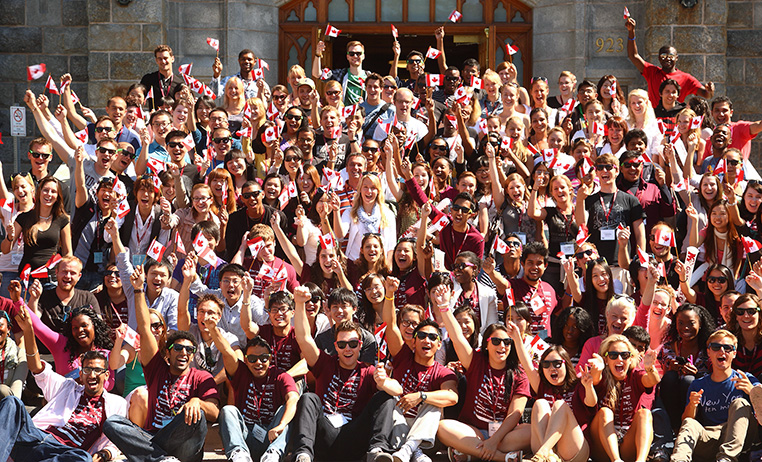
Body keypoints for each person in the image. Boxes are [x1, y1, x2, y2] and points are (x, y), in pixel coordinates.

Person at [103, 265, 220, 462]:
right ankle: (162, 459)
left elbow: (215, 412)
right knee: (112, 423)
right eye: (178, 349)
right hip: (154, 437)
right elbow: (144, 327)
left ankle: (155, 458)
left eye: (189, 350)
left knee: (197, 416)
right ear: (167, 352)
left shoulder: (201, 377)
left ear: (193, 356)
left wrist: (197, 401)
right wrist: (139, 290)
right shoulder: (157, 368)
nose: (183, 353)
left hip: (185, 445)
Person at [4, 299, 126, 462]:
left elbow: (113, 441)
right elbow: (36, 368)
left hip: (64, 452)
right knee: (12, 402)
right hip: (36, 436)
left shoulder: (116, 404)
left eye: (98, 370)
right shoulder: (68, 387)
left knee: (83, 458)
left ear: (106, 375)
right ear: (80, 374)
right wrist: (28, 330)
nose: (92, 374)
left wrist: (104, 454)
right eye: (87, 370)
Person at [290, 285, 399, 462]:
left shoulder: (368, 370)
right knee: (308, 398)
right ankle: (303, 455)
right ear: (335, 347)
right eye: (342, 345)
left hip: (354, 435)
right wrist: (300, 304)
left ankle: (377, 450)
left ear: (360, 346)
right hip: (324, 431)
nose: (347, 349)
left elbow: (398, 391)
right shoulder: (324, 363)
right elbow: (303, 338)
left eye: (353, 344)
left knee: (385, 397)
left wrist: (384, 382)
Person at [436, 284, 530, 462]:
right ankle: (502, 459)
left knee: (534, 430)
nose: (502, 346)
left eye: (507, 342)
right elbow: (456, 337)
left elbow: (515, 414)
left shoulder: (519, 372)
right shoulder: (476, 361)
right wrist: (444, 307)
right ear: (486, 344)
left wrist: (494, 440)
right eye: (496, 341)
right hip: (474, 432)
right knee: (442, 427)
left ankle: (471, 453)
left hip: (504, 436)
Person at [381, 276, 458, 462]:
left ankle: (410, 448)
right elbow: (391, 325)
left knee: (434, 404)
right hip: (397, 421)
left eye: (432, 338)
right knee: (389, 401)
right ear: (413, 341)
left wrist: (421, 396)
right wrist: (390, 293)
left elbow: (452, 397)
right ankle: (413, 452)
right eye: (422, 335)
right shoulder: (403, 356)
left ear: (439, 345)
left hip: (425, 430)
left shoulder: (443, 371)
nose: (427, 340)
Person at [670, 330, 760, 462]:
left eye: (728, 348)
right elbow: (687, 420)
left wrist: (751, 391)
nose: (722, 351)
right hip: (711, 437)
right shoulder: (698, 384)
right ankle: (679, 460)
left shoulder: (746, 378)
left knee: (740, 402)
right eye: (716, 347)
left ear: (734, 353)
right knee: (690, 422)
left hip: (741, 438)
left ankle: (726, 459)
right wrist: (692, 405)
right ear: (709, 352)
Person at [216, 332, 299, 462]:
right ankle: (239, 454)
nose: (258, 362)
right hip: (245, 436)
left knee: (287, 410)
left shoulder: (281, 376)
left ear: (270, 359)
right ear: (246, 360)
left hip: (273, 435)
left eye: (264, 358)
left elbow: (293, 398)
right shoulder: (241, 373)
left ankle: (273, 454)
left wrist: (281, 425)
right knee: (228, 410)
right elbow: (226, 351)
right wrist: (212, 328)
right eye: (252, 359)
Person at [587, 334, 660, 462]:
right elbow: (595, 379)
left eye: (624, 355)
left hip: (627, 439)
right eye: (613, 355)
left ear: (631, 358)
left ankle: (641, 460)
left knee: (645, 413)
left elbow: (652, 380)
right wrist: (596, 370)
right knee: (605, 411)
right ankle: (616, 460)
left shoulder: (635, 375)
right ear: (606, 359)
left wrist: (649, 368)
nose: (619, 359)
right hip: (602, 443)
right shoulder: (602, 376)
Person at [625, 18, 714, 106]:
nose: (667, 58)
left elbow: (706, 94)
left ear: (676, 58)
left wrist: (710, 91)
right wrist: (631, 32)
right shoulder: (652, 72)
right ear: (659, 58)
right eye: (663, 56)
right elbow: (633, 56)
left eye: (671, 56)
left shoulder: (686, 78)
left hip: (675, 119)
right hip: (655, 119)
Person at [2, 176, 72, 278]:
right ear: (39, 193)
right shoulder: (24, 217)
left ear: (57, 197)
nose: (49, 194)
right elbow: (5, 250)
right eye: (45, 190)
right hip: (27, 279)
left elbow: (68, 252)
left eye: (53, 191)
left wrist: (66, 273)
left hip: (51, 279)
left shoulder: (62, 220)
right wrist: (9, 237)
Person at [314, 288, 378, 365]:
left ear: (354, 309)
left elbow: (366, 369)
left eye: (344, 306)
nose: (339, 311)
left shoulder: (367, 338)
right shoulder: (321, 339)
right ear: (329, 309)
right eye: (335, 307)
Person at [508, 242, 557, 337]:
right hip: (521, 344)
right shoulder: (514, 285)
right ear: (523, 264)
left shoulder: (549, 288)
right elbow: (502, 284)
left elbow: (561, 308)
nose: (534, 267)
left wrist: (570, 276)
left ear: (545, 266)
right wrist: (491, 272)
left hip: (544, 346)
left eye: (539, 263)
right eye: (530, 263)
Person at [313, 40, 367, 106]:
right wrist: (318, 54)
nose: (355, 56)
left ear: (363, 56)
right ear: (347, 57)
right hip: (343, 114)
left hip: (364, 114)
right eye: (351, 54)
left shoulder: (369, 77)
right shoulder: (340, 74)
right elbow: (317, 74)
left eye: (358, 53)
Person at [140, 45, 182, 109]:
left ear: (172, 59)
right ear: (156, 60)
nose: (163, 61)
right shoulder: (148, 79)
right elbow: (139, 98)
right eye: (160, 59)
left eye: (165, 58)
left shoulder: (180, 83)